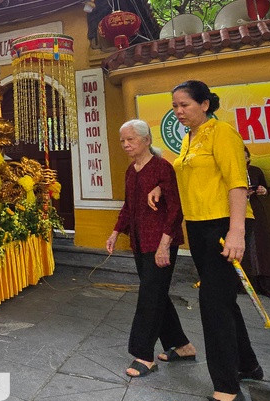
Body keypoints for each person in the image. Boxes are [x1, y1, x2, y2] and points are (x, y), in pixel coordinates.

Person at [165, 80, 259, 401]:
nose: (178, 111)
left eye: (184, 105)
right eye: (175, 106)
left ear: (205, 104)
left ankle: (226, 387)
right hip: (198, 226)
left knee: (212, 303)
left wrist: (236, 231)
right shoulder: (188, 139)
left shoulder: (222, 133)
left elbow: (237, 184)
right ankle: (248, 365)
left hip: (223, 225)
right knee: (222, 299)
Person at [107, 119, 196, 379]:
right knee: (157, 294)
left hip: (160, 242)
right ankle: (183, 346)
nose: (125, 144)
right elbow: (129, 206)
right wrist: (115, 232)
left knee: (149, 297)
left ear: (146, 140)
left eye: (131, 139)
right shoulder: (131, 170)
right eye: (123, 140)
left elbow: (176, 209)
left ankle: (143, 354)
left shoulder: (162, 168)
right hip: (139, 241)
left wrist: (164, 245)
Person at [243, 148, 270, 298]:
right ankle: (243, 284)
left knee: (260, 245)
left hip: (256, 210)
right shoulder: (227, 170)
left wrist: (262, 190)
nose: (242, 160)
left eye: (245, 157)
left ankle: (265, 284)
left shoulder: (255, 171)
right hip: (236, 210)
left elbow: (265, 189)